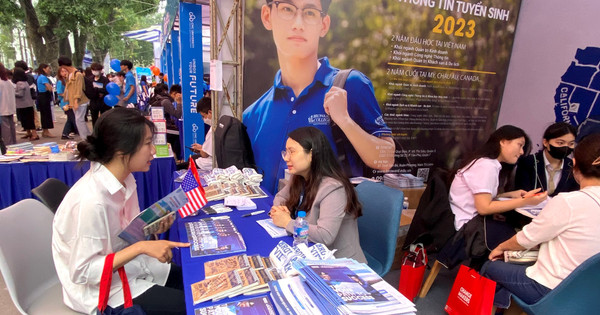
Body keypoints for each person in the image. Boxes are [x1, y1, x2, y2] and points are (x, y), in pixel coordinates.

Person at [242, 0, 395, 193]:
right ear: (267, 16)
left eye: (310, 12)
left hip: (329, 222)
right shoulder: (252, 115)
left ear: (323, 25)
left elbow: (386, 159)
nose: (298, 23)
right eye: (287, 9)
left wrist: (346, 121)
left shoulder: (350, 86)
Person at [52, 107, 189, 314]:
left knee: (194, 282)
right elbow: (82, 272)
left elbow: (124, 234)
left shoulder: (125, 180)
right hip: (103, 292)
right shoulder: (92, 201)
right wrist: (141, 247)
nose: (153, 150)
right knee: (189, 306)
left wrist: (151, 228)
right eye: (147, 143)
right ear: (121, 150)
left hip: (131, 268)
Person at [482, 132, 600, 309]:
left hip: (552, 290)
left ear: (574, 165)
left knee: (489, 267)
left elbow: (525, 239)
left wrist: (500, 248)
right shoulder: (529, 163)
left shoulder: (569, 202)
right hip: (592, 297)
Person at [269, 126, 367, 263]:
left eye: (292, 152)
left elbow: (325, 235)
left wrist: (287, 222)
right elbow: (281, 197)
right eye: (285, 152)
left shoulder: (334, 189)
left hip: (338, 262)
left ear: (312, 154)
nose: (286, 158)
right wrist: (281, 209)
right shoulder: (300, 176)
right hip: (311, 252)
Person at [449, 125, 548, 232]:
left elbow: (480, 198)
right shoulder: (486, 166)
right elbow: (484, 208)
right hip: (468, 229)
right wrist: (525, 201)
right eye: (519, 145)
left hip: (473, 225)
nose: (522, 152)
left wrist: (510, 195)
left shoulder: (488, 164)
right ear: (503, 141)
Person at [514, 122, 579, 196]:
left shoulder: (573, 166)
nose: (566, 147)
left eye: (571, 144)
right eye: (560, 143)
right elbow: (522, 193)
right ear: (545, 142)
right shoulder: (528, 163)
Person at [59, 56, 91, 139]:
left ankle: (85, 139)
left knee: (79, 120)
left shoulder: (77, 74)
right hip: (73, 101)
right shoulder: (70, 74)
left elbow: (78, 89)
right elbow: (70, 89)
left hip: (80, 101)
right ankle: (89, 137)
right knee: (79, 120)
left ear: (63, 65)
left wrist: (76, 101)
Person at [149, 83, 182, 160]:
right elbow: (177, 114)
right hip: (165, 129)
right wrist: (179, 103)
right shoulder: (165, 101)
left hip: (158, 127)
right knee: (177, 138)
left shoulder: (156, 99)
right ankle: (177, 159)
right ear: (175, 93)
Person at [12, 67, 39, 140]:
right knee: (26, 120)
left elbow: (20, 94)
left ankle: (34, 134)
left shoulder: (20, 83)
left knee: (28, 120)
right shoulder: (25, 82)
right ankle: (29, 133)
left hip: (24, 104)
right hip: (26, 104)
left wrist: (12, 92)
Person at [190, 97, 214, 170]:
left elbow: (205, 154)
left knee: (191, 160)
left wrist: (201, 149)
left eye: (203, 116)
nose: (203, 119)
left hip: (210, 164)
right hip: (212, 160)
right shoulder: (219, 126)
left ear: (210, 112)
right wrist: (201, 148)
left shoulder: (213, 130)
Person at [56, 66, 79, 139]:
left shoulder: (68, 80)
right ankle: (66, 133)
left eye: (65, 71)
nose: (64, 73)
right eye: (62, 71)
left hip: (71, 101)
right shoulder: (60, 82)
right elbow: (59, 93)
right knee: (71, 117)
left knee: (70, 118)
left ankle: (66, 133)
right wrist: (68, 95)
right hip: (65, 102)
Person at [36, 63, 56, 137]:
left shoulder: (39, 77)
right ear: (44, 69)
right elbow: (49, 88)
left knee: (44, 114)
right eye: (48, 68)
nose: (49, 70)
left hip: (41, 96)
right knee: (46, 114)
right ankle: (46, 131)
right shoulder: (43, 77)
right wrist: (50, 87)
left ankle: (45, 131)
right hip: (44, 96)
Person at [0, 63, 16, 145]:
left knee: (6, 134)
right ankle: (13, 147)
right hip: (9, 109)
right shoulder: (9, 82)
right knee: (11, 131)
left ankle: (9, 150)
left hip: (2, 110)